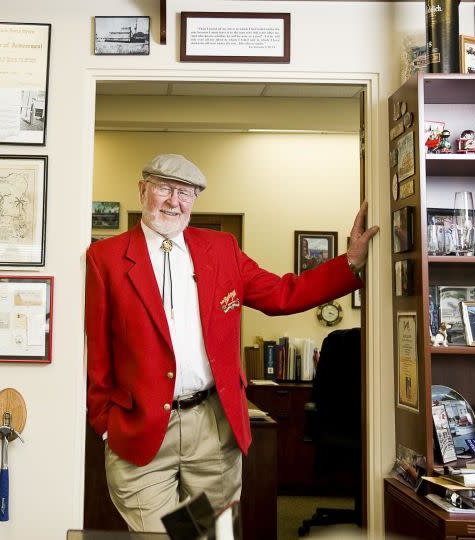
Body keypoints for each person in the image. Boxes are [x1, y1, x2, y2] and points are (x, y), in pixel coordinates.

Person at [85, 154, 377, 531]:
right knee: (159, 534)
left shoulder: (221, 249)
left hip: (212, 425)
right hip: (140, 429)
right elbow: (97, 349)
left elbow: (282, 294)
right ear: (143, 191)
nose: (174, 201)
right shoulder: (105, 258)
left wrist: (350, 263)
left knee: (212, 532)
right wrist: (104, 421)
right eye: (164, 188)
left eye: (185, 192)